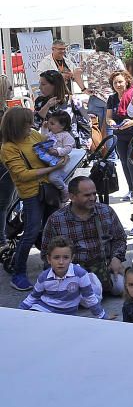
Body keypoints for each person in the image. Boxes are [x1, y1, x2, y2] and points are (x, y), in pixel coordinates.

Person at [1, 107, 69, 291]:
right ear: (16, 126)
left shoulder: (31, 134)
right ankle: (18, 273)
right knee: (31, 232)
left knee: (51, 230)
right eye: (27, 122)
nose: (32, 125)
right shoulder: (8, 148)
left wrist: (57, 145)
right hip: (31, 193)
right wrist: (52, 169)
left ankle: (52, 270)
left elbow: (47, 145)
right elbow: (22, 175)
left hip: (47, 190)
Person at [19, 236, 107, 319]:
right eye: (56, 257)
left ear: (72, 258)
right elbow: (34, 297)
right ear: (49, 259)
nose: (61, 262)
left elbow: (89, 297)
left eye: (65, 257)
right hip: (43, 309)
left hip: (67, 314)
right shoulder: (44, 277)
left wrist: (102, 316)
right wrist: (18, 312)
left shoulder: (80, 274)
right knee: (30, 321)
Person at [106, 70, 133, 196]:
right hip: (120, 136)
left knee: (132, 164)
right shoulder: (112, 98)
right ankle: (131, 189)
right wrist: (112, 123)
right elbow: (108, 117)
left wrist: (130, 123)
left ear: (126, 81)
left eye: (120, 82)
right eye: (115, 83)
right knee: (124, 163)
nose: (118, 85)